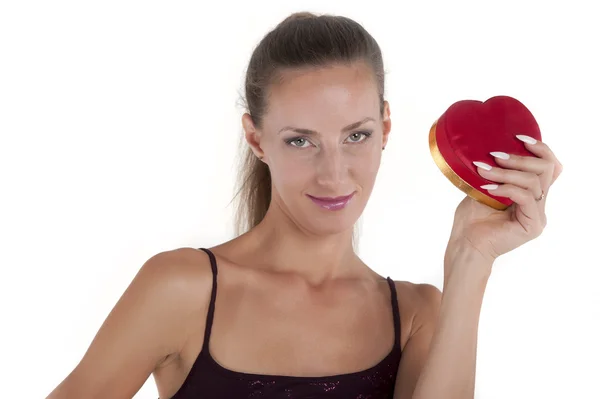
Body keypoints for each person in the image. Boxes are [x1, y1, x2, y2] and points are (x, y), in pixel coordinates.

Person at [46, 11, 562, 399]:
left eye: (355, 135)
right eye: (301, 141)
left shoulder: (416, 317)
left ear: (385, 128)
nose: (334, 173)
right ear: (255, 138)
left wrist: (472, 258)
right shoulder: (182, 289)